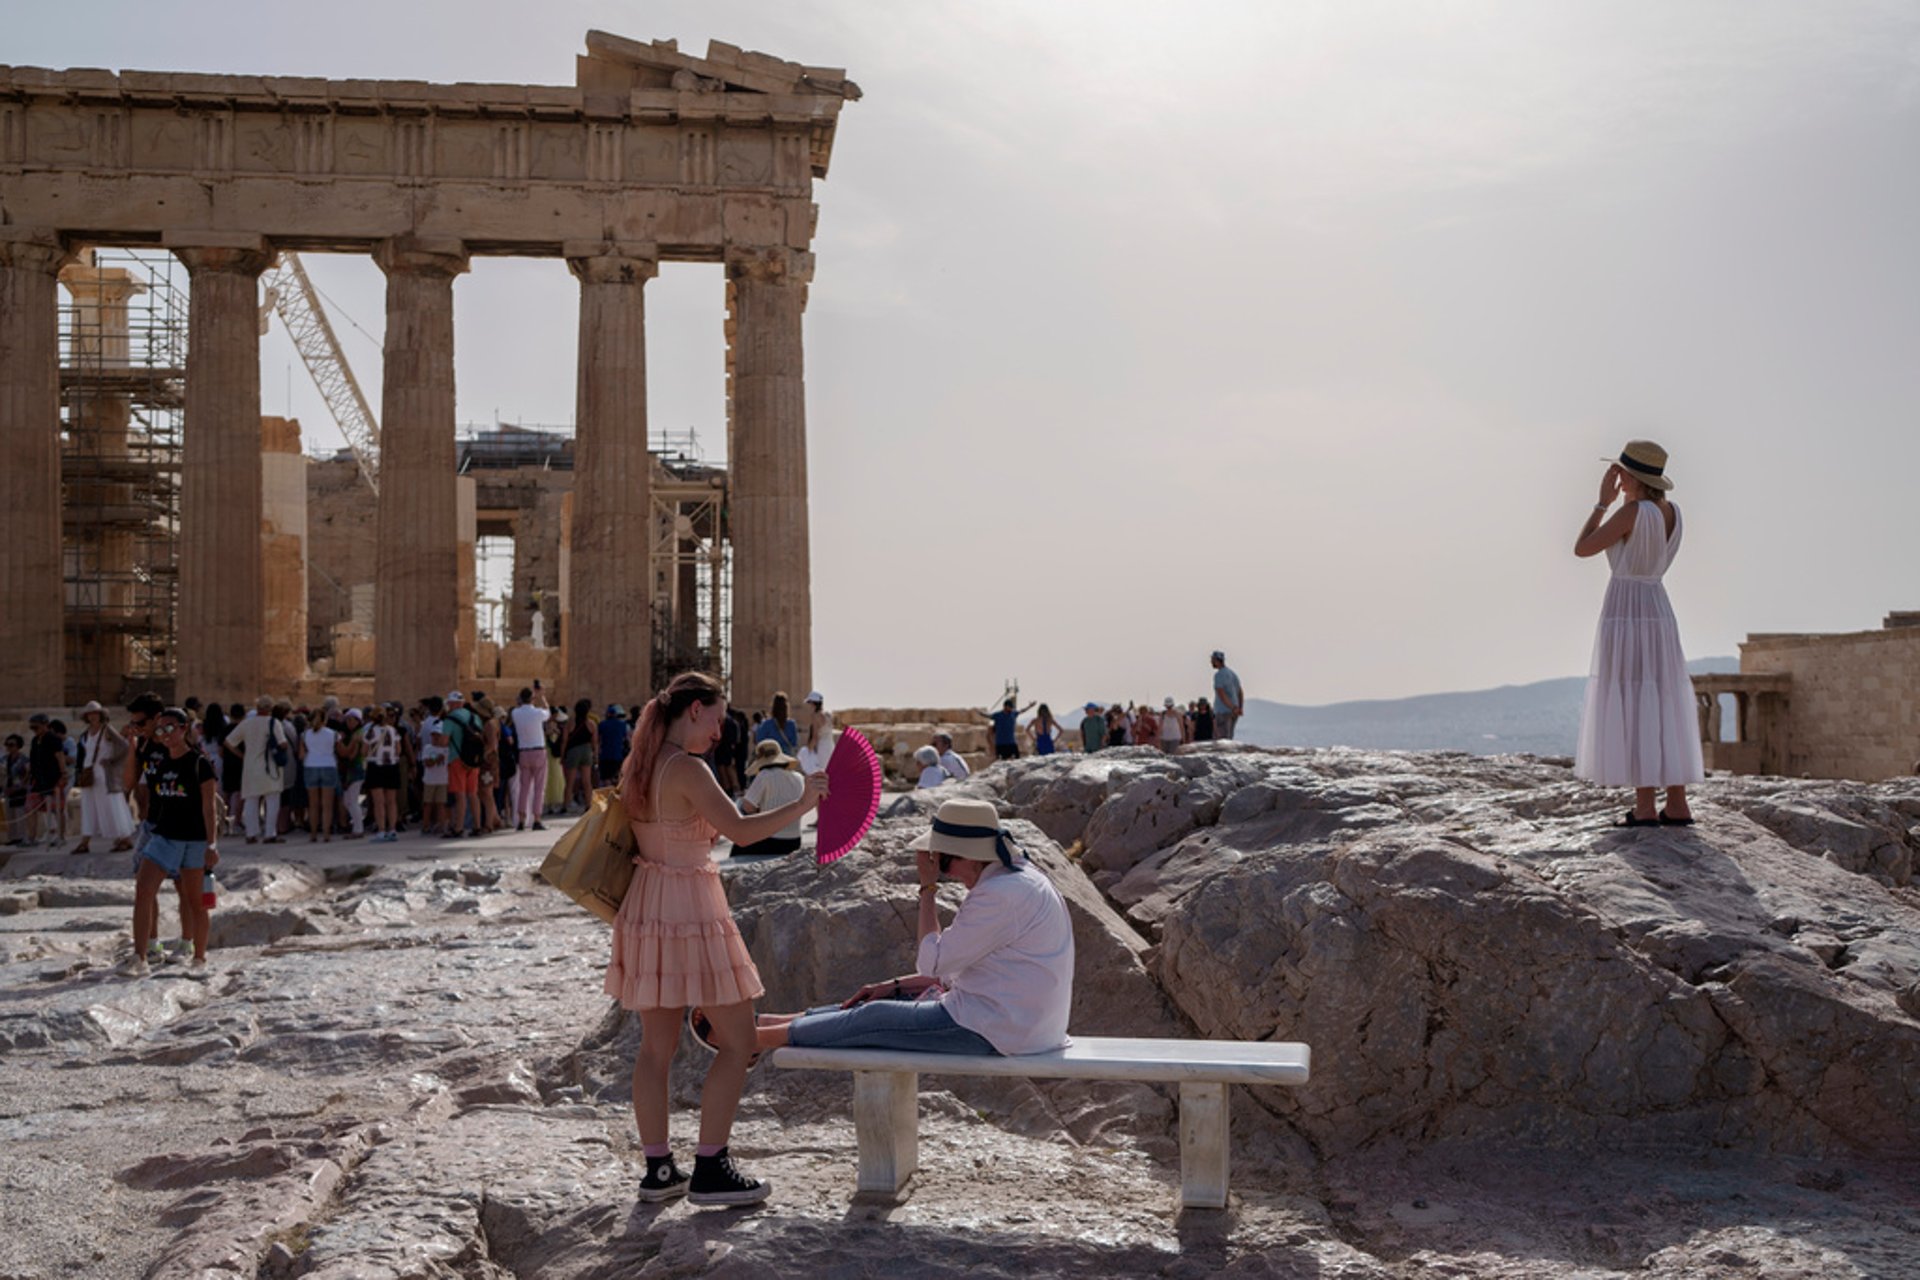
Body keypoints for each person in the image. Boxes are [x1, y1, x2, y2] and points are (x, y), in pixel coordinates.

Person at [607, 672, 828, 1205]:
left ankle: (658, 1170)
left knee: (655, 1048)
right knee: (740, 1039)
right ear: (695, 710)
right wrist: (803, 805)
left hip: (647, 904)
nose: (722, 728)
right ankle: (711, 1167)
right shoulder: (687, 767)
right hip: (690, 906)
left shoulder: (641, 763)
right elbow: (744, 832)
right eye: (718, 715)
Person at [746, 798, 1074, 1061]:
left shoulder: (1000, 895)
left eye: (943, 863)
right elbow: (965, 969)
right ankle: (771, 1023)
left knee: (873, 1019)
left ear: (970, 856)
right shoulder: (1019, 878)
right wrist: (894, 985)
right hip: (1024, 1023)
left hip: (1000, 1030)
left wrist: (928, 889)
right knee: (876, 1001)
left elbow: (932, 963)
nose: (945, 873)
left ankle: (752, 1040)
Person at [1574, 440, 1704, 827]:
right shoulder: (1673, 512)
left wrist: (1601, 503)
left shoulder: (1632, 511)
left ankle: (1645, 807)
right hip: (1658, 608)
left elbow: (1583, 548)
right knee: (1662, 697)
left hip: (1626, 608)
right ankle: (1677, 803)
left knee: (1633, 697)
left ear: (1632, 477)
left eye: (1620, 472)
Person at [127, 707, 218, 978]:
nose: (165, 733)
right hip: (164, 836)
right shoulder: (161, 762)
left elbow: (209, 807)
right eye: (161, 729)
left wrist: (212, 846)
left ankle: (199, 958)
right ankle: (139, 957)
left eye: (171, 727)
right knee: (143, 890)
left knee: (195, 901)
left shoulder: (200, 763)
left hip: (194, 841)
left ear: (184, 728)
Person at [72, 702, 135, 855]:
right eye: (90, 714)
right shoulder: (86, 733)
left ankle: (124, 838)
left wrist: (111, 761)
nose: (92, 716)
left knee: (111, 804)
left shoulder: (107, 730)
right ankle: (85, 841)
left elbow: (124, 746)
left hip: (104, 774)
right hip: (90, 773)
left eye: (95, 713)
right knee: (89, 805)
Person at [226, 696, 291, 844]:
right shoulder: (274, 723)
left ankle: (251, 833)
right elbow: (283, 744)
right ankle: (270, 833)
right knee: (272, 800)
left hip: (251, 766)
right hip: (270, 767)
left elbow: (229, 742)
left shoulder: (246, 723)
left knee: (251, 800)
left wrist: (242, 755)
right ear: (270, 708)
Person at [737, 739, 808, 856]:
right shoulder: (799, 777)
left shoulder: (764, 775)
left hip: (771, 840)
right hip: (795, 840)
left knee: (738, 843)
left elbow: (747, 807)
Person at [507, 685, 551, 832]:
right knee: (539, 787)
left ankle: (521, 818)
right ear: (532, 698)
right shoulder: (538, 712)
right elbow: (548, 713)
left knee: (524, 788)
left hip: (523, 752)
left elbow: (518, 707)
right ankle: (537, 819)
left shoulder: (515, 713)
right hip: (538, 750)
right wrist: (542, 697)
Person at [441, 692, 483, 838]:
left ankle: (458, 828)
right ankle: (477, 826)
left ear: (452, 704)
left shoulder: (450, 719)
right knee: (473, 794)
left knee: (460, 795)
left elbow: (444, 741)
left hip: (457, 759)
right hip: (473, 760)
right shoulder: (475, 717)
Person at [24, 713, 67, 845]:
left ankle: (61, 837)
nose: (34, 730)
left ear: (44, 725)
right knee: (30, 808)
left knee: (56, 809)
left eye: (36, 727)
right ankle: (31, 838)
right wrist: (28, 776)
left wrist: (63, 774)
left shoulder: (53, 739)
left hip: (53, 779)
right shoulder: (35, 740)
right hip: (38, 780)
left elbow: (60, 756)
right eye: (32, 728)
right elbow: (33, 760)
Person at [364, 706, 403, 842]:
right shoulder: (393, 730)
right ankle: (392, 829)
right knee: (391, 801)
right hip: (391, 765)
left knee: (378, 802)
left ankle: (381, 830)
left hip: (376, 765)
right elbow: (398, 749)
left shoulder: (370, 731)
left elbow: (364, 750)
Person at [301, 711, 340, 843]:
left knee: (313, 804)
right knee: (327, 804)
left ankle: (313, 834)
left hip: (310, 765)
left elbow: (301, 755)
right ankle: (326, 834)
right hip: (329, 765)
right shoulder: (334, 734)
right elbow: (341, 751)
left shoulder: (305, 734)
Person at [337, 708, 368, 839]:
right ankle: (357, 826)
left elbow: (352, 755)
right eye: (347, 720)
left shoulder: (358, 734)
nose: (349, 723)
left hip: (356, 768)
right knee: (348, 800)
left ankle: (358, 829)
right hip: (354, 769)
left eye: (351, 720)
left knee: (351, 800)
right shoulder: (357, 733)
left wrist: (341, 743)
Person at [564, 699, 597, 812]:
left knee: (570, 781)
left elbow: (564, 740)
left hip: (573, 751)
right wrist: (595, 756)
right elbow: (594, 742)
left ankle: (566, 805)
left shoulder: (571, 723)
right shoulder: (591, 724)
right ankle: (588, 805)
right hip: (586, 751)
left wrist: (563, 755)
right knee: (587, 781)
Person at [984, 697, 1035, 762]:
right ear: (1005, 706)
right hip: (1001, 743)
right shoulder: (997, 715)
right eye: (1010, 707)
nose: (1011, 708)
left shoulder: (1013, 713)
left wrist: (1029, 706)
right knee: (1002, 762)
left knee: (1017, 760)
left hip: (1011, 742)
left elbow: (1021, 711)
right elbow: (988, 716)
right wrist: (980, 713)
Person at [797, 691, 835, 775]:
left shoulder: (815, 716)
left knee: (821, 773)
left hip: (822, 748)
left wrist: (808, 751)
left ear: (813, 704)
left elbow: (815, 737)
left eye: (809, 703)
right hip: (830, 746)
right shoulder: (828, 715)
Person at [1210, 651, 1245, 741]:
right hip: (1234, 711)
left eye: (1213, 660)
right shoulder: (1232, 674)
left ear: (1217, 661)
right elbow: (1240, 692)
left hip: (1223, 711)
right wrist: (1239, 708)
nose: (1211, 662)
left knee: (1222, 738)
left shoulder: (1219, 675)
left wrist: (1232, 707)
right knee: (1229, 737)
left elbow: (1221, 693)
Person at [4, 734, 30, 845]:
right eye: (7, 745)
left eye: (12, 745)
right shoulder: (4, 759)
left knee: (20, 814)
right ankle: (13, 838)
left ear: (18, 746)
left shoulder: (23, 759)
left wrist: (19, 786)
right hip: (8, 790)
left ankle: (22, 837)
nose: (9, 747)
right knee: (10, 815)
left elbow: (28, 774)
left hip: (20, 790)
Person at [598, 703, 632, 787]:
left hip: (605, 754)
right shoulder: (622, 725)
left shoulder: (602, 724)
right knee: (618, 776)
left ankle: (609, 795)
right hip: (618, 754)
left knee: (606, 777)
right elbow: (627, 739)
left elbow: (598, 739)